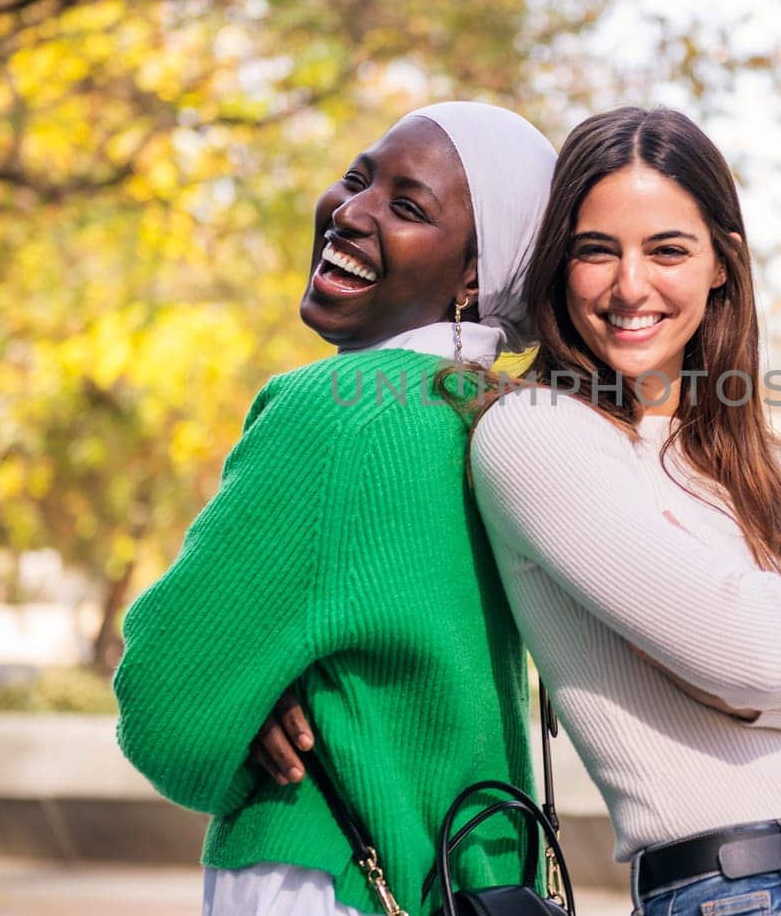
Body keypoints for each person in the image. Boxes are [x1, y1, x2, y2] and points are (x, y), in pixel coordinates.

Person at [467, 107, 781, 916]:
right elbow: (751, 653)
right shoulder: (538, 434)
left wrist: (750, 667)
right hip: (744, 892)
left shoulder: (763, 468)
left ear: (721, 266)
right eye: (597, 251)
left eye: (667, 249)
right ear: (560, 266)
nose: (631, 286)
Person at [113, 101, 558, 916]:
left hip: (325, 875)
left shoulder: (332, 415)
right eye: (358, 179)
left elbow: (164, 707)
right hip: (483, 887)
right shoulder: (510, 421)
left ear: (474, 275)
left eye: (407, 206)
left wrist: (240, 708)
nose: (351, 211)